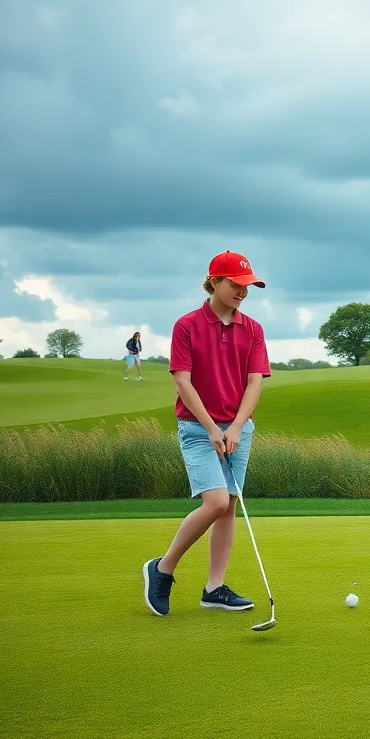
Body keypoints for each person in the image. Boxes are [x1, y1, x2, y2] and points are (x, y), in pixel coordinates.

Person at [142, 251, 271, 617]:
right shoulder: (187, 325)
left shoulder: (253, 329)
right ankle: (163, 568)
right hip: (198, 429)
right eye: (236, 285)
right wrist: (214, 428)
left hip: (238, 429)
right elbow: (182, 381)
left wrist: (235, 426)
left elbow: (255, 381)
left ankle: (214, 588)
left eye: (248, 287)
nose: (243, 292)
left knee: (228, 506)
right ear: (215, 281)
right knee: (214, 503)